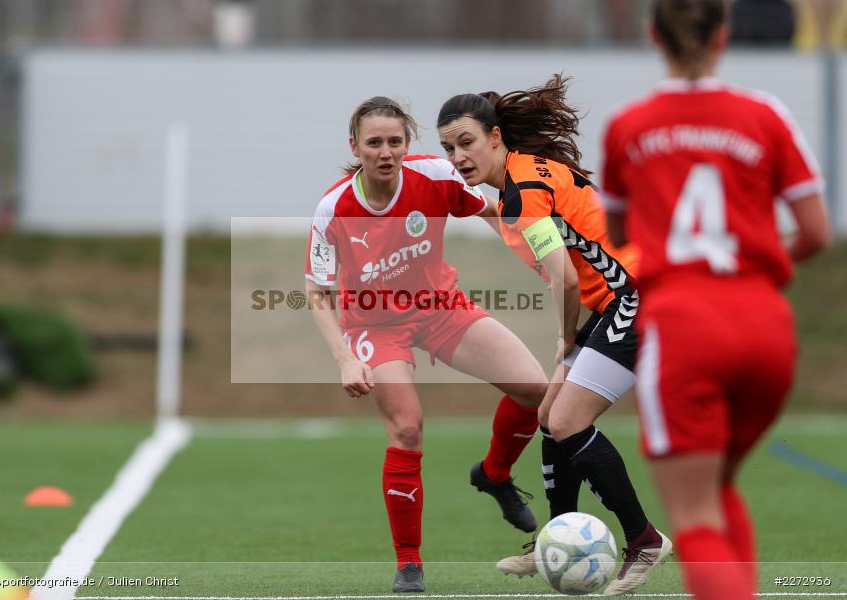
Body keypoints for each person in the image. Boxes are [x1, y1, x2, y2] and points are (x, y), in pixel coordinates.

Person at [600, 1, 830, 599]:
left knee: (695, 513)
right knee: (719, 489)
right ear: (724, 35)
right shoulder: (765, 115)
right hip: (765, 324)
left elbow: (620, 235)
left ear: (654, 34)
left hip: (684, 326)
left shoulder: (630, 124)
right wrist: (758, 258)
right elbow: (816, 231)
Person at [305, 96, 550, 593]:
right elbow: (315, 290)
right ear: (355, 146)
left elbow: (493, 208)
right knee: (408, 429)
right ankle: (409, 563)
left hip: (441, 307)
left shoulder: (435, 175)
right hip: (375, 328)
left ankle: (494, 473)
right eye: (374, 143)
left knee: (536, 390)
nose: (385, 152)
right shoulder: (334, 208)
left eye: (395, 141)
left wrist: (541, 261)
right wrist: (345, 357)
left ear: (407, 144)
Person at [437, 80, 671, 596]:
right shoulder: (522, 178)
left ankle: (644, 539)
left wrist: (567, 339)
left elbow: (565, 277)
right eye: (448, 148)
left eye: (466, 143)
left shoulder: (524, 192)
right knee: (548, 415)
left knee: (567, 420)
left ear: (496, 137)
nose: (457, 156)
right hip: (625, 299)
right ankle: (556, 539)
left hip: (642, 297)